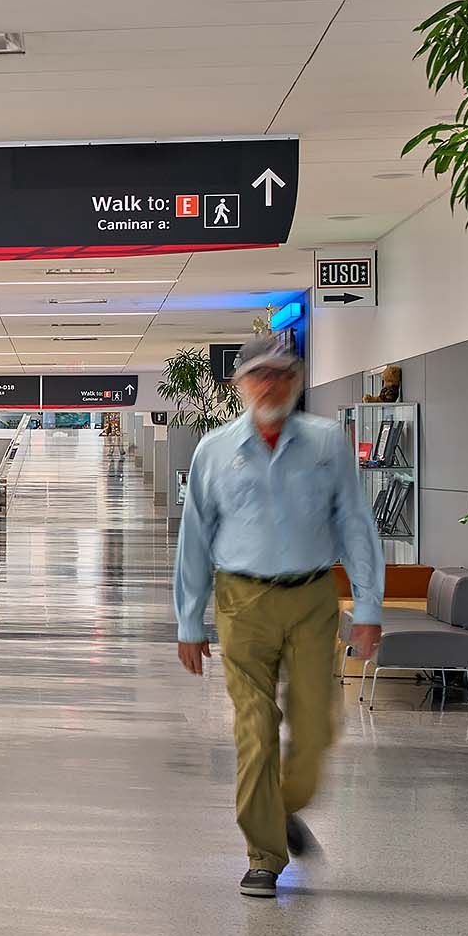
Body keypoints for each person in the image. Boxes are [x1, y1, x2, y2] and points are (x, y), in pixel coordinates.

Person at [174, 332, 385, 898]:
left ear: (294, 383)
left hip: (313, 597)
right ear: (239, 385)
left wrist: (368, 606)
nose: (271, 385)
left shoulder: (326, 443)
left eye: (282, 375)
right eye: (259, 376)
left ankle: (282, 805)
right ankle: (264, 854)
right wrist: (188, 621)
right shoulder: (214, 451)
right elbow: (194, 537)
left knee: (316, 728)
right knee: (256, 731)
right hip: (241, 602)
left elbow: (356, 524)